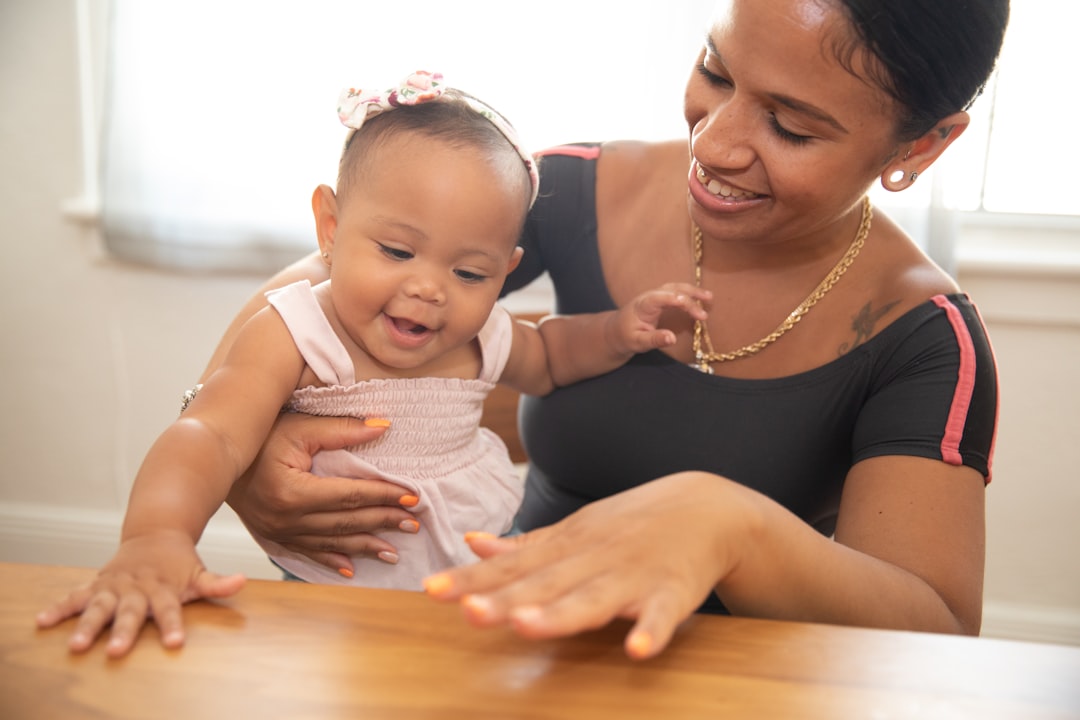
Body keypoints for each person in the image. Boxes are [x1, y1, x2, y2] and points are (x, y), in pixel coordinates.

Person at [216, 0, 1005, 661]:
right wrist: (243, 448)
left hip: (739, 686)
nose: (714, 142)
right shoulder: (568, 189)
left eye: (792, 128)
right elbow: (307, 294)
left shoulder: (926, 341)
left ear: (923, 143)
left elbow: (933, 628)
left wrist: (726, 522)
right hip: (495, 644)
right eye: (715, 71)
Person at [34, 71, 711, 658]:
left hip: (484, 564)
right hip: (337, 584)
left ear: (505, 270)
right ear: (330, 227)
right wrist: (156, 536)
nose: (429, 288)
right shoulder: (298, 333)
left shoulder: (481, 336)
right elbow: (209, 433)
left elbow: (553, 356)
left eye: (469, 270)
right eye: (396, 251)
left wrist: (621, 331)